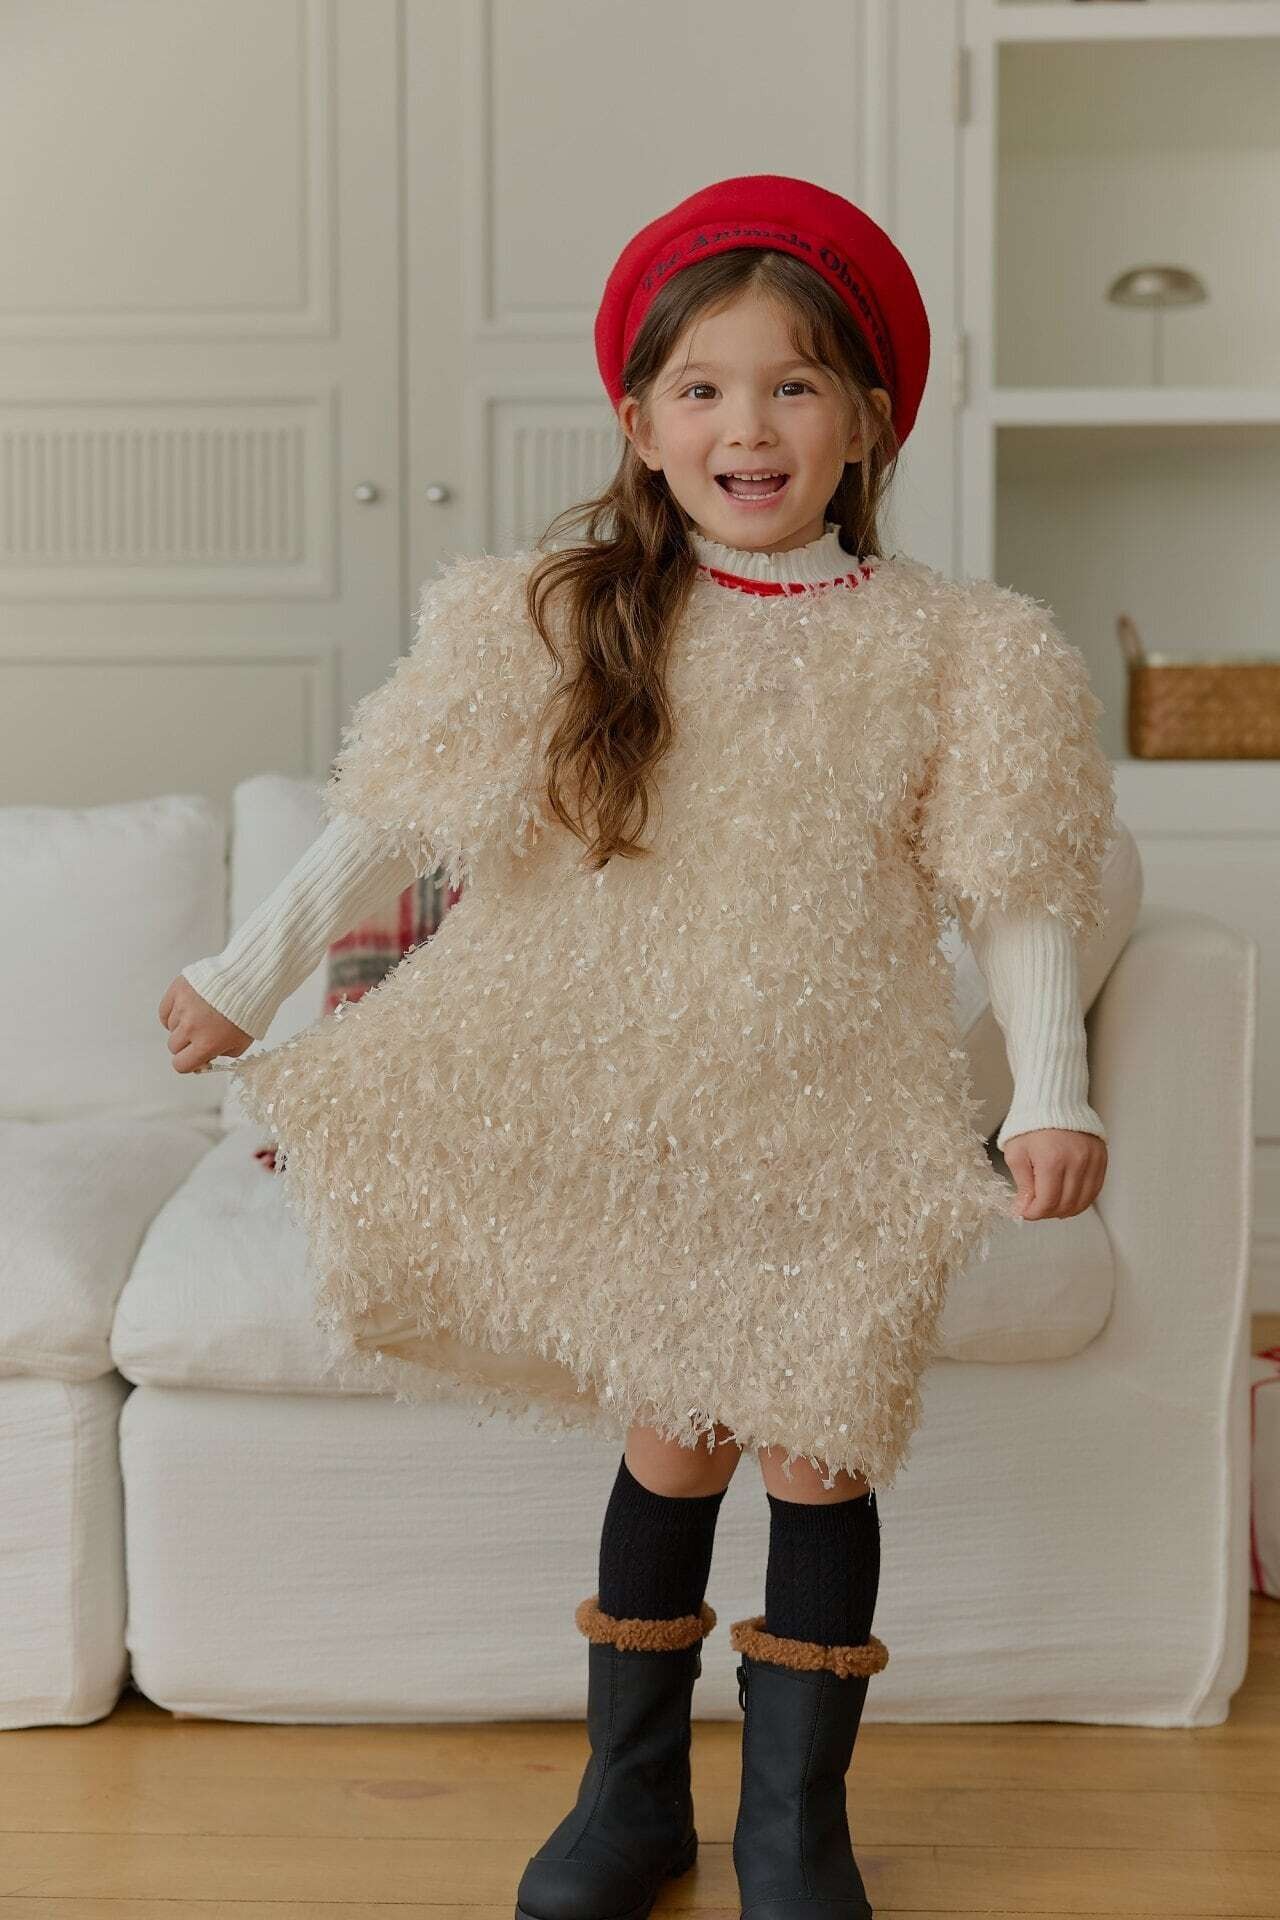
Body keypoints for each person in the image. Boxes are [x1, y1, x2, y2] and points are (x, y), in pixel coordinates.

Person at [158, 175, 1115, 1920]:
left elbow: (1017, 887)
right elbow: (398, 810)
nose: (748, 426)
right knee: (675, 1439)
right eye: (704, 389)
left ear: (865, 421)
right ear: (641, 421)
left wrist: (1051, 1091)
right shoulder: (564, 614)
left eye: (793, 386)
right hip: (647, 1106)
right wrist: (245, 969)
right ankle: (631, 1799)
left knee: (823, 1445)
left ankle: (795, 1828)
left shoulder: (960, 647)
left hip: (844, 1111)